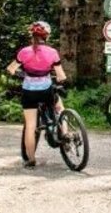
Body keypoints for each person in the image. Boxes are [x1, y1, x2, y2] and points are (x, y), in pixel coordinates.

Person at [6, 20, 67, 169]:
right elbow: (61, 76)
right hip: (46, 90)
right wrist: (59, 78)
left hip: (29, 92)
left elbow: (11, 69)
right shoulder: (52, 52)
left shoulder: (24, 52)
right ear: (46, 36)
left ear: (32, 35)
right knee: (60, 108)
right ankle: (65, 133)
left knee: (30, 126)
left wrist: (19, 73)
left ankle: (31, 159)